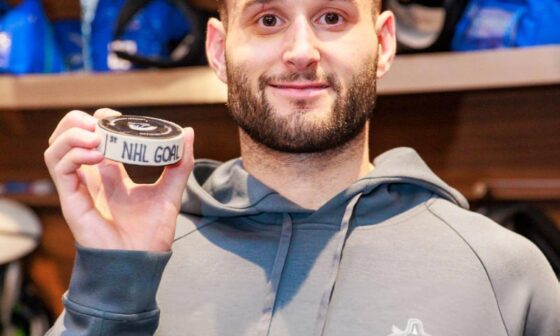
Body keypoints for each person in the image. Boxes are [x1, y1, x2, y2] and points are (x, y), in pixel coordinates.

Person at [44, 0, 559, 335]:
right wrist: (114, 287)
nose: (300, 52)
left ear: (382, 43)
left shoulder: (502, 269)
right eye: (268, 19)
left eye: (331, 18)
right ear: (220, 51)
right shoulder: (137, 259)